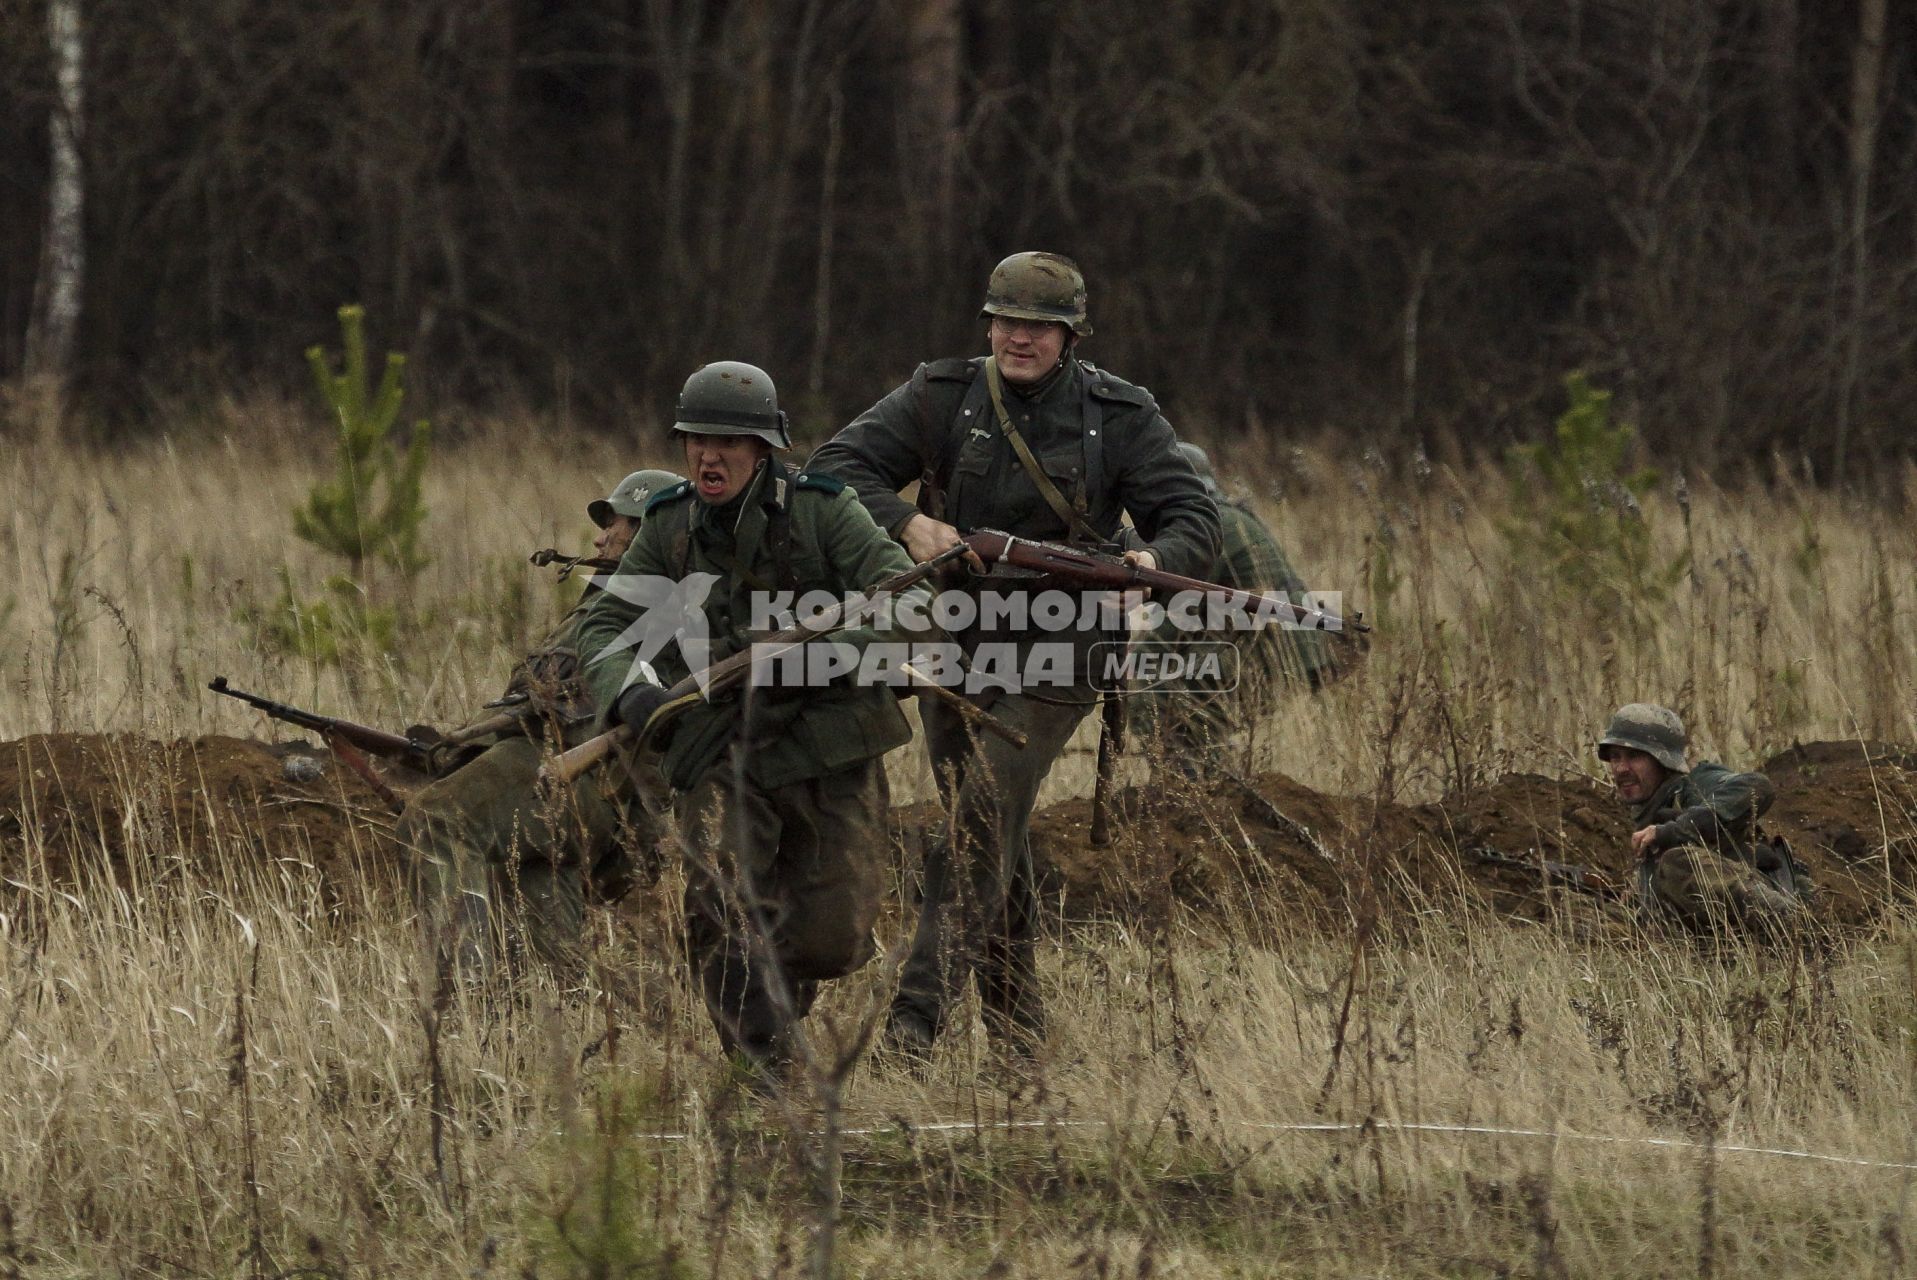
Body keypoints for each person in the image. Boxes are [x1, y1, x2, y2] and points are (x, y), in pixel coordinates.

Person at [807, 251, 1220, 1057]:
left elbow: (1191, 522)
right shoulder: (941, 394)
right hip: (958, 634)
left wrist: (1143, 566)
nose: (1017, 338)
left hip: (1068, 642)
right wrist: (906, 523)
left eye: (1038, 326)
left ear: (1069, 336)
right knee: (997, 829)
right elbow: (833, 470)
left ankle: (912, 1021)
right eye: (1005, 320)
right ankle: (1019, 1033)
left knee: (979, 818)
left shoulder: (1121, 413)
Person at [576, 361, 933, 1087]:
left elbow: (907, 603)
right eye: (696, 440)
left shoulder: (824, 511)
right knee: (720, 903)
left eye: (729, 442)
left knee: (834, 939)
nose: (710, 457)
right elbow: (607, 620)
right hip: (720, 744)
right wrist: (631, 691)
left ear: (762, 448)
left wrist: (823, 657)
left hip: (830, 740)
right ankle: (767, 1066)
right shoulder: (670, 525)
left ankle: (771, 999)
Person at [402, 469, 682, 985]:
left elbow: (570, 709)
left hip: (583, 776)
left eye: (615, 524)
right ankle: (547, 1026)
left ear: (646, 532)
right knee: (542, 926)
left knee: (438, 823)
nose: (599, 538)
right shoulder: (628, 603)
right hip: (600, 798)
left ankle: (462, 997)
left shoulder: (655, 605)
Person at [1130, 441, 1336, 776]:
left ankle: (1196, 792)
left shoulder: (1211, 527)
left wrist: (1133, 660)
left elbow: (1176, 616)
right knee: (1180, 698)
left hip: (1274, 643)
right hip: (1282, 642)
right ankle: (1196, 786)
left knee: (1171, 703)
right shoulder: (1225, 518)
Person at [1597, 703, 1809, 933]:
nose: (1620, 768)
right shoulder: (1645, 816)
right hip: (1719, 939)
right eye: (1615, 757)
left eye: (1634, 756)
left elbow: (1758, 786)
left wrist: (1673, 831)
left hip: (1770, 900)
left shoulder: (1695, 785)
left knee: (1677, 862)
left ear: (1663, 760)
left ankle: (1796, 926)